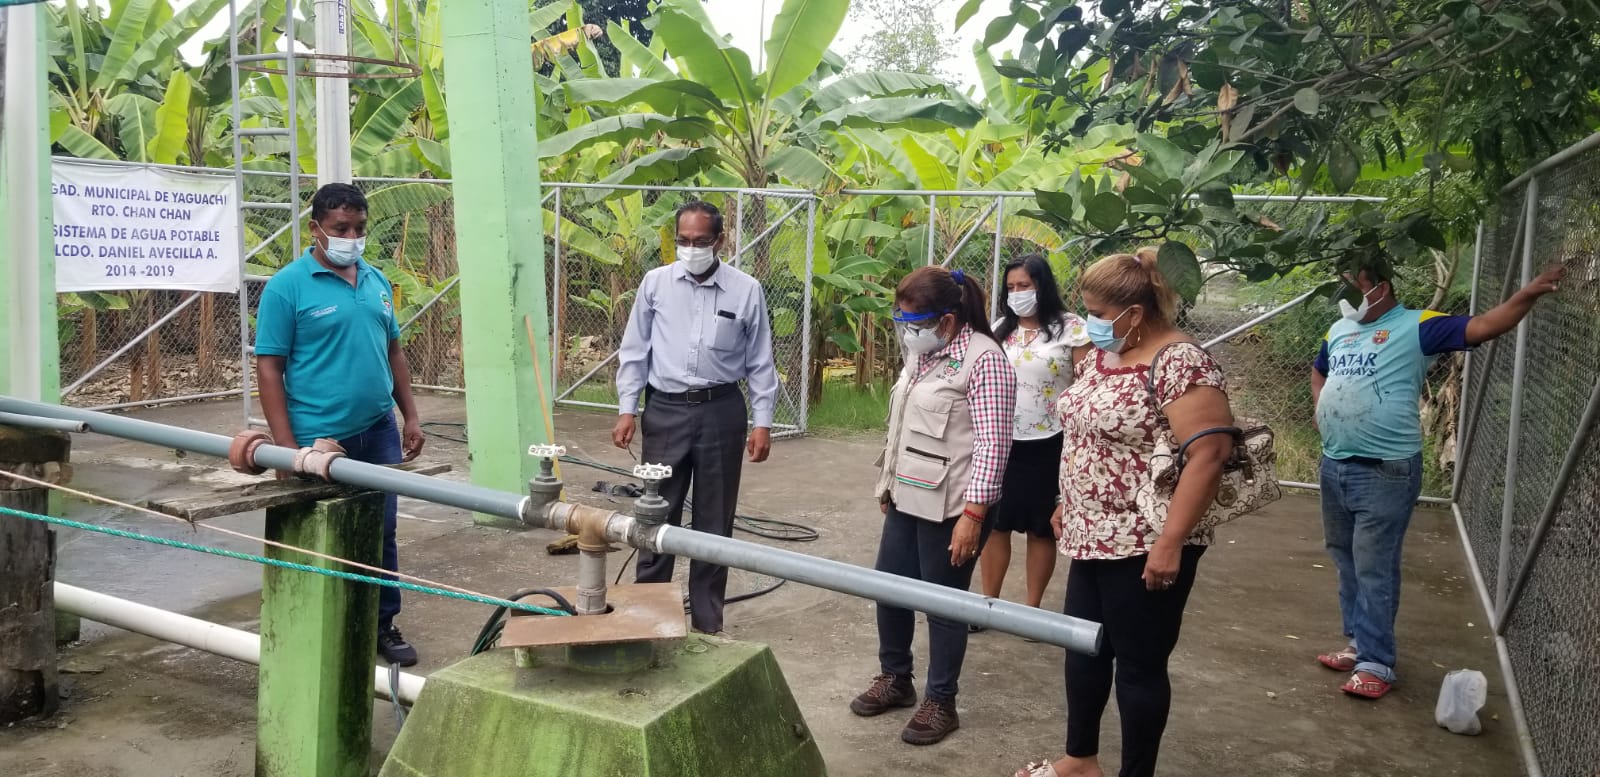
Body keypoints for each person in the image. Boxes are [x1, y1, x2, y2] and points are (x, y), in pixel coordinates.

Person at [1015, 248, 1234, 777]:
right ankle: (1080, 759)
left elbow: (1209, 454)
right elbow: (1086, 434)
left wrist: (1170, 542)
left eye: (1097, 311)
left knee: (1138, 666)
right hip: (1090, 532)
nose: (1088, 321)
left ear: (1134, 313)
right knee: (1082, 649)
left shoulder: (1181, 362)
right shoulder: (1103, 354)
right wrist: (1068, 500)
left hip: (1145, 538)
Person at [1310, 257, 1565, 699]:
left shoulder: (1419, 325)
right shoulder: (1339, 330)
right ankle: (1358, 644)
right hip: (1335, 465)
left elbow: (1483, 326)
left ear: (1380, 287)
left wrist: (1525, 295)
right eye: (1342, 283)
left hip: (1385, 470)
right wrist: (1320, 408)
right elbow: (1319, 370)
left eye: (1354, 283)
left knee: (1373, 564)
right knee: (1345, 558)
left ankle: (1376, 663)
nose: (1346, 293)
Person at [255, 182, 426, 667]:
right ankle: (318, 627)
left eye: (359, 228)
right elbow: (269, 367)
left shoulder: (375, 280)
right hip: (319, 439)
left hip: (378, 430)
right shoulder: (287, 287)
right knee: (318, 534)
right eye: (341, 228)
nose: (352, 238)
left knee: (381, 530)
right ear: (316, 229)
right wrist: (286, 448)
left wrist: (410, 416)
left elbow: (393, 351)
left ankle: (381, 624)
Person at [851, 266, 1018, 746]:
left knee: (944, 605)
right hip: (908, 494)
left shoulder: (985, 360)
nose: (908, 331)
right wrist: (888, 484)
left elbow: (993, 445)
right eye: (901, 320)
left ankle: (941, 701)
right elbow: (903, 422)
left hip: (953, 507)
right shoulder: (920, 352)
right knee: (889, 589)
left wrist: (974, 516)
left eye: (915, 322)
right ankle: (896, 678)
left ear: (946, 321)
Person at [612, 200, 779, 636]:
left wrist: (762, 422)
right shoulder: (655, 284)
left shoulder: (746, 290)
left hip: (720, 411)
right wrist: (627, 408)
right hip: (664, 410)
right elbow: (635, 350)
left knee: (714, 521)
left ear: (720, 241)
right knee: (655, 512)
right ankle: (649, 617)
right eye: (683, 241)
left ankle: (708, 624)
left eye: (700, 241)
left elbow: (760, 361)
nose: (691, 248)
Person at [975, 254, 1089, 622]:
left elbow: (1087, 384)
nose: (1017, 293)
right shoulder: (999, 328)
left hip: (1051, 441)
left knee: (1041, 529)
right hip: (1001, 440)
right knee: (997, 525)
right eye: (1011, 287)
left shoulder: (1072, 329)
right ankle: (987, 605)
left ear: (1042, 285)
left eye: (1024, 285)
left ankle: (1032, 611)